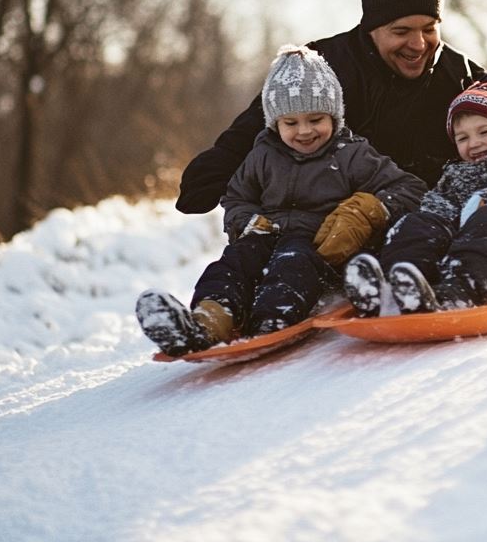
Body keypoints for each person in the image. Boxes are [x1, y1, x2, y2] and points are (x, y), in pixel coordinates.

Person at [136, 45, 426, 356]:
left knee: (293, 260)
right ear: (276, 123)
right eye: (291, 123)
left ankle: (272, 318)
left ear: (335, 115)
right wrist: (246, 221)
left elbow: (410, 188)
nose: (304, 131)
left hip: (319, 247)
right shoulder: (262, 154)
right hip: (266, 235)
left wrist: (366, 210)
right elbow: (237, 197)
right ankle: (207, 321)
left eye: (316, 119)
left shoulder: (351, 154)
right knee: (233, 263)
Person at [176, 0, 484, 222]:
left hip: (428, 217)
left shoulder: (461, 76)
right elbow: (267, 120)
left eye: (429, 29)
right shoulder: (325, 65)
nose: (418, 44)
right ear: (372, 28)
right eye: (401, 31)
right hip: (332, 219)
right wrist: (217, 168)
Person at [343, 78, 487, 316]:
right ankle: (394, 290)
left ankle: (457, 295)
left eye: (485, 131)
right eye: (462, 138)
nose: (474, 143)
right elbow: (437, 210)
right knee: (420, 223)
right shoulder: (456, 173)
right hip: (473, 257)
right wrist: (433, 224)